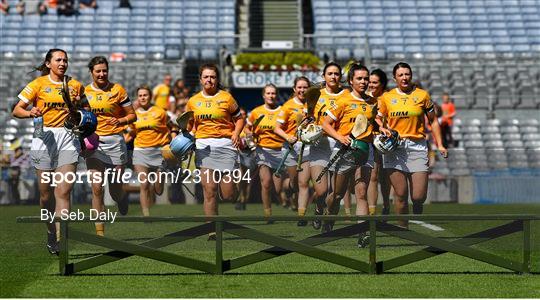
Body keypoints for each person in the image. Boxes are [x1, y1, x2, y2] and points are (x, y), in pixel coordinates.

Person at [12, 48, 87, 254]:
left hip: (68, 138)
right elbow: (16, 109)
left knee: (63, 191)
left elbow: (87, 111)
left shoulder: (75, 85)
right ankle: (51, 232)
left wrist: (79, 116)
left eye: (65, 60)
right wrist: (30, 112)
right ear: (48, 63)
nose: (63, 63)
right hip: (43, 139)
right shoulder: (38, 84)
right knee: (45, 196)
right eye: (58, 60)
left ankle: (62, 239)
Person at [375, 62, 448, 228]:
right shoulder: (387, 97)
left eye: (407, 74)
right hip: (394, 148)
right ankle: (403, 228)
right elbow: (378, 117)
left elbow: (433, 121)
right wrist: (382, 127)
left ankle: (418, 204)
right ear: (395, 78)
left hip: (417, 147)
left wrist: (440, 144)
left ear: (411, 76)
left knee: (418, 196)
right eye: (400, 75)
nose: (404, 77)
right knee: (400, 194)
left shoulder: (422, 95)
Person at [186, 64, 245, 239]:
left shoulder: (227, 98)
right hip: (204, 148)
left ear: (217, 79)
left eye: (212, 77)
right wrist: (185, 136)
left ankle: (235, 193)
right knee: (209, 190)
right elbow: (189, 126)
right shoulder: (193, 101)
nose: (209, 80)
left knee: (228, 194)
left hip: (226, 146)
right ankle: (211, 229)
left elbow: (239, 119)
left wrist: (235, 132)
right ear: (200, 79)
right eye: (206, 77)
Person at [321, 63, 376, 241]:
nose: (363, 81)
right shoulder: (343, 101)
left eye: (366, 78)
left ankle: (363, 233)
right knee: (337, 195)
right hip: (344, 150)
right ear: (351, 81)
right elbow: (325, 124)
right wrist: (340, 137)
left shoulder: (373, 102)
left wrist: (384, 129)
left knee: (361, 192)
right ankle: (328, 216)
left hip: (365, 150)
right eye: (359, 78)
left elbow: (376, 123)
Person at [84, 56, 136, 236]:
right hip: (94, 143)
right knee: (97, 188)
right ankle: (100, 233)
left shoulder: (118, 90)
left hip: (115, 142)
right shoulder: (84, 92)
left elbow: (133, 116)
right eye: (98, 71)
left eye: (104, 70)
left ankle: (121, 198)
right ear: (91, 72)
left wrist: (121, 120)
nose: (101, 74)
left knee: (114, 190)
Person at [308, 62, 350, 230]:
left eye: (336, 74)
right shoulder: (316, 94)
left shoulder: (347, 94)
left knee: (337, 193)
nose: (333, 77)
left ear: (340, 77)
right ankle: (318, 209)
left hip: (341, 144)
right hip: (320, 144)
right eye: (330, 73)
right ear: (323, 76)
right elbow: (309, 116)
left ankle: (330, 220)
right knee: (321, 191)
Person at [274, 76, 311, 225]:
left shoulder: (313, 105)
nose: (302, 90)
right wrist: (288, 137)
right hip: (291, 148)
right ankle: (288, 187)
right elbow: (277, 128)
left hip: (308, 147)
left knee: (303, 183)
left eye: (305, 87)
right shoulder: (288, 106)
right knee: (295, 183)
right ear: (294, 89)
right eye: (299, 87)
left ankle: (301, 216)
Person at [130, 85, 171, 216]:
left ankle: (160, 178)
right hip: (140, 151)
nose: (143, 98)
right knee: (144, 183)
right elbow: (131, 132)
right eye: (140, 95)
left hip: (159, 151)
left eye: (145, 95)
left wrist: (172, 142)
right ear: (137, 98)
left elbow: (171, 126)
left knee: (158, 189)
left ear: (150, 97)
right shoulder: (133, 114)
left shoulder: (160, 112)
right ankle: (146, 214)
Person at [247, 84, 286, 221]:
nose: (271, 96)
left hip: (280, 151)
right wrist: (250, 137)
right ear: (264, 95)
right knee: (266, 182)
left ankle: (285, 201)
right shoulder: (256, 112)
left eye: (273, 93)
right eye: (268, 93)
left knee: (278, 188)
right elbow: (247, 128)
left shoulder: (282, 111)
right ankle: (267, 213)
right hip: (262, 150)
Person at [367, 69, 392, 216]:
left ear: (382, 84)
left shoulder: (388, 98)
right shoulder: (365, 98)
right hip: (371, 140)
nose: (371, 85)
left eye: (375, 82)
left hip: (387, 142)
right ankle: (372, 211)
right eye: (370, 82)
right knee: (373, 176)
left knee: (385, 177)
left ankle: (387, 204)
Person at [235, 107, 257, 210]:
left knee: (249, 180)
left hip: (251, 155)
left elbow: (255, 142)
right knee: (240, 177)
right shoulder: (235, 127)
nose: (242, 116)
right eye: (240, 114)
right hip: (239, 154)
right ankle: (241, 197)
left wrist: (251, 141)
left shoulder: (250, 128)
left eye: (244, 114)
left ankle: (245, 198)